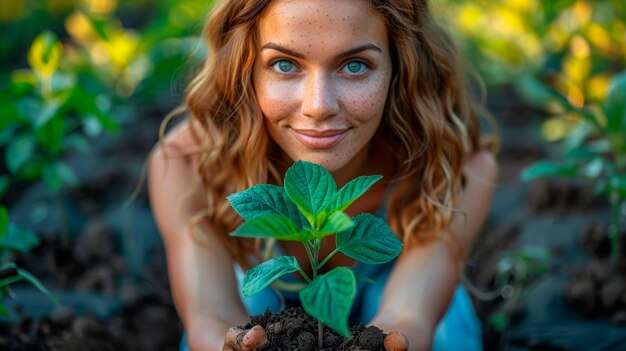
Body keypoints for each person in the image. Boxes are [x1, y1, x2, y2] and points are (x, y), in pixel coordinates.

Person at [148, 0, 498, 350]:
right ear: (246, 69)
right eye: (284, 64)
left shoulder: (456, 167)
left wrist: (383, 344)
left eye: (355, 65)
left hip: (393, 287)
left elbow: (411, 317)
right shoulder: (189, 163)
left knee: (447, 334)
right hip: (261, 294)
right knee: (248, 310)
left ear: (401, 66)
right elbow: (209, 317)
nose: (319, 106)